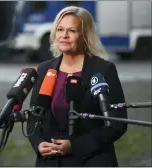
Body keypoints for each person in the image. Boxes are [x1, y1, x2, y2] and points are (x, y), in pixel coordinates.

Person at [28, 6, 127, 167]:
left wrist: (74, 146)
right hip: (51, 161)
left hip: (91, 160)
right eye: (60, 29)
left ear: (85, 35)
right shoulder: (45, 68)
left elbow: (117, 123)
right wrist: (39, 144)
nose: (64, 35)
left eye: (72, 31)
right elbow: (34, 117)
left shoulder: (103, 70)